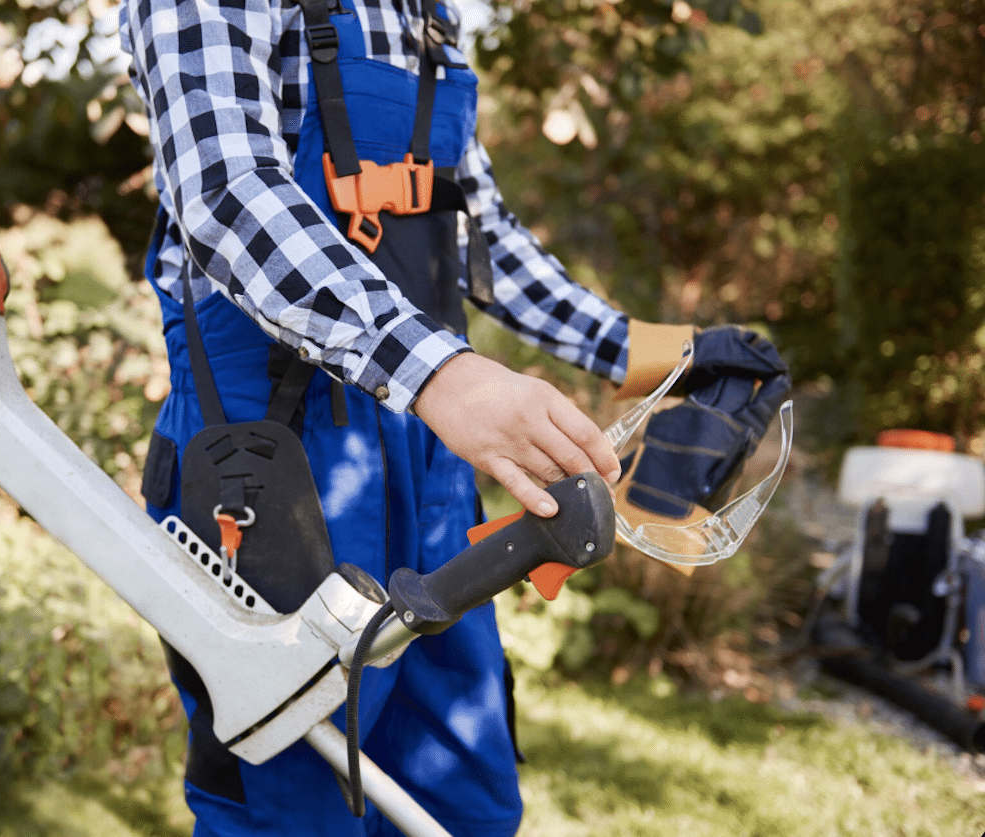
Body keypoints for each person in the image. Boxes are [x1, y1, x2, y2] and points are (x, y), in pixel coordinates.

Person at [117, 0, 786, 834]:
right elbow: (226, 192)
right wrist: (442, 374)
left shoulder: (425, 13)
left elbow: (474, 227)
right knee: (293, 801)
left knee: (462, 799)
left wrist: (644, 351)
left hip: (429, 464)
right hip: (267, 467)